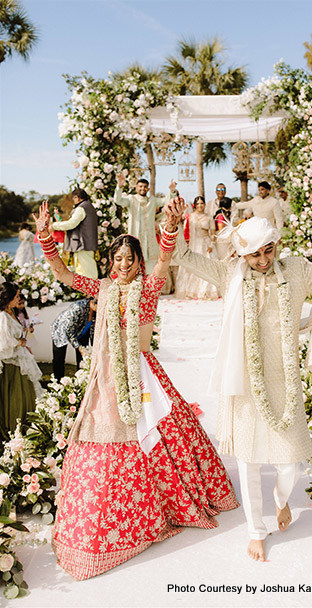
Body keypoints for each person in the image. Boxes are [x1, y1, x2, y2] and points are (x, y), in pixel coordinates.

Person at [32, 200, 238, 580]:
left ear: (137, 261)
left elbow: (164, 262)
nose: (123, 264)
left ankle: (165, 503)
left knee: (162, 437)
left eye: (130, 258)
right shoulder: (102, 288)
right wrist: (46, 236)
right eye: (117, 258)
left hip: (143, 375)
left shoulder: (148, 288)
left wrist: (171, 228)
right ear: (110, 261)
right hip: (108, 376)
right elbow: (61, 272)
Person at [172, 207, 312, 562]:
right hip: (244, 379)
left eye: (268, 250)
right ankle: (256, 530)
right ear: (242, 254)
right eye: (253, 254)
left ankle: (281, 500)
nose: (262, 260)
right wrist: (171, 228)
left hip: (284, 380)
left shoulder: (298, 270)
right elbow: (183, 257)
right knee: (249, 461)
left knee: (289, 465)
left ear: (277, 243)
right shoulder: (231, 275)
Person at [0, 282, 43, 443]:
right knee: (17, 396)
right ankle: (15, 429)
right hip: (13, 363)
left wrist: (24, 334)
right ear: (9, 298)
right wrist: (20, 342)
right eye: (16, 295)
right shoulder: (3, 316)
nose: (19, 298)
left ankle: (26, 427)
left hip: (21, 359)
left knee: (28, 392)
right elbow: (4, 340)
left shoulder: (10, 312)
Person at [114, 174, 178, 274]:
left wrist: (172, 191)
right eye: (140, 186)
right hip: (135, 236)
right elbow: (118, 200)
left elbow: (166, 201)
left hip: (149, 239)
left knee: (150, 265)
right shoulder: (131, 199)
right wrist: (120, 186)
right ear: (136, 188)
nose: (142, 189)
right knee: (134, 260)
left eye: (144, 187)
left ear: (148, 189)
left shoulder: (152, 200)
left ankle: (149, 286)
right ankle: (135, 286)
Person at [176, 197, 218, 300]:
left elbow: (213, 233)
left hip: (205, 245)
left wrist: (212, 245)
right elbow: (180, 226)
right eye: (198, 203)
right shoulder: (189, 217)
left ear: (205, 205)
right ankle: (190, 291)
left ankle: (205, 291)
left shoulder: (209, 217)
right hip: (193, 245)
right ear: (195, 205)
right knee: (191, 267)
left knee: (205, 267)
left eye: (202, 203)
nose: (200, 205)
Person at [51, 188, 98, 279]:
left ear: (77, 197)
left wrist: (54, 226)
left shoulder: (81, 208)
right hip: (87, 244)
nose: (73, 201)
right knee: (89, 270)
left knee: (85, 273)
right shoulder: (89, 206)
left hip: (82, 244)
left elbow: (71, 224)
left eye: (74, 198)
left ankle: (88, 292)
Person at [51, 298, 97, 380]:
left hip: (82, 332)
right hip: (62, 330)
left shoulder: (96, 312)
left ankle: (81, 380)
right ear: (92, 303)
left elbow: (93, 330)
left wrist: (95, 346)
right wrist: (78, 347)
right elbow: (69, 331)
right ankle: (58, 381)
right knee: (59, 358)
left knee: (83, 358)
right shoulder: (78, 307)